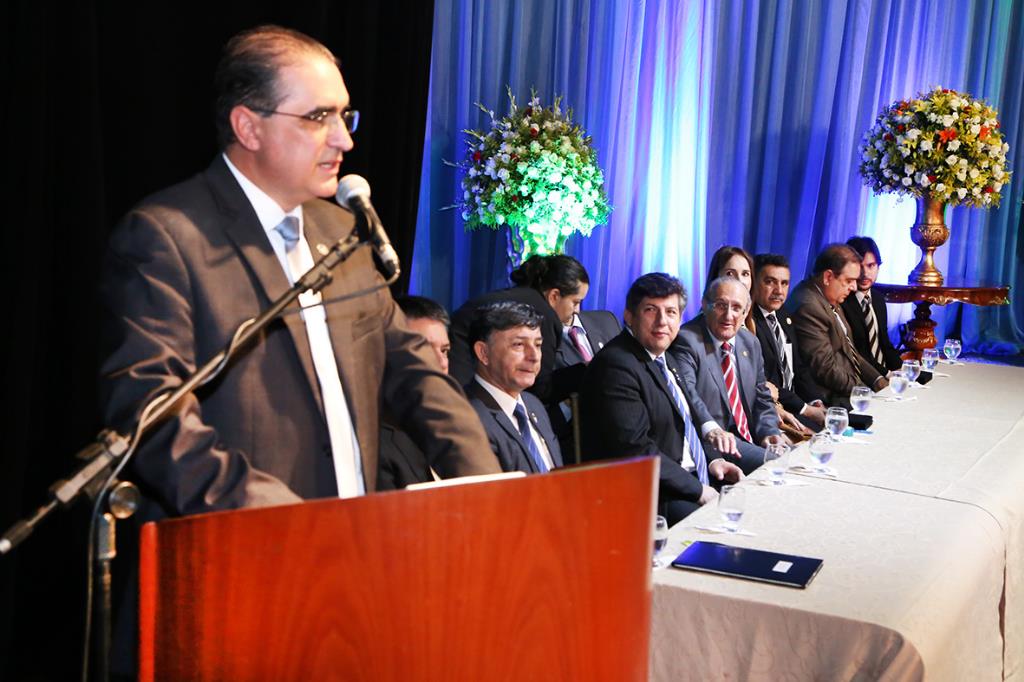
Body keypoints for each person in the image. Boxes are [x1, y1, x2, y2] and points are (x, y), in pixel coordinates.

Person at [98, 25, 500, 517]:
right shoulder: (168, 237)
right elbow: (153, 414)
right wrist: (286, 520)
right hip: (247, 542)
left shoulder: (343, 232)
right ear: (249, 127)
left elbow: (412, 370)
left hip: (352, 539)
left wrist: (487, 482)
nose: (344, 139)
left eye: (344, 115)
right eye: (318, 117)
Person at [579, 273, 742, 525]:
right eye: (651, 310)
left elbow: (687, 421)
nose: (662, 321)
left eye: (671, 312)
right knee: (725, 526)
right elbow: (636, 451)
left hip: (682, 480)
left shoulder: (665, 356)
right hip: (648, 495)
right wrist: (698, 490)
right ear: (629, 316)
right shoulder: (616, 366)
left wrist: (713, 461)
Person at [671, 277, 787, 475]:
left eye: (736, 308)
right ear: (704, 305)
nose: (728, 315)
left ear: (745, 313)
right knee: (781, 466)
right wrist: (712, 429)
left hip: (751, 436)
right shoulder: (686, 340)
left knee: (800, 458)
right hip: (717, 442)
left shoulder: (750, 342)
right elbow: (688, 394)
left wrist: (769, 431)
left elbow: (762, 396)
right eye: (721, 305)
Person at [448, 254, 590, 405]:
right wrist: (586, 371)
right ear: (554, 296)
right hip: (463, 387)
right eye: (575, 302)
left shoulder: (523, 297)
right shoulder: (543, 315)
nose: (577, 311)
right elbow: (539, 388)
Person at [464, 302, 563, 474]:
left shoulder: (534, 405)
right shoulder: (467, 419)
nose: (534, 356)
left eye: (538, 345)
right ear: (483, 353)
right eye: (518, 345)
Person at [785, 244, 889, 405]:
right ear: (828, 277)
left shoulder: (829, 297)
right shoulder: (809, 306)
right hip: (830, 398)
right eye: (849, 281)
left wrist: (879, 381)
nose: (854, 287)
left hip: (849, 390)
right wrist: (864, 392)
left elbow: (851, 352)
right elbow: (824, 368)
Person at [377, 295, 460, 490]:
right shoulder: (375, 442)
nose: (442, 363)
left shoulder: (452, 424)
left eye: (445, 350)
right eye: (424, 349)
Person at [751, 254, 828, 430]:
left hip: (797, 403)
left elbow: (798, 367)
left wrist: (815, 401)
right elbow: (767, 382)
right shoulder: (749, 323)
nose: (779, 290)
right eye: (770, 282)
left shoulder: (783, 314)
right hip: (775, 410)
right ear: (754, 283)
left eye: (784, 283)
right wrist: (805, 409)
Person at [842, 236, 903, 375]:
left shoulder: (878, 299)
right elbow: (858, 353)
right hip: (863, 376)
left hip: (887, 374)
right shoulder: (842, 301)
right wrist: (887, 374)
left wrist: (903, 370)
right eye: (860, 266)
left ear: (878, 267)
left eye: (871, 266)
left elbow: (885, 345)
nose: (865, 273)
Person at [706, 245, 756, 333]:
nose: (740, 281)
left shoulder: (750, 323)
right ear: (716, 277)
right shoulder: (709, 322)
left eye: (745, 274)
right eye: (730, 273)